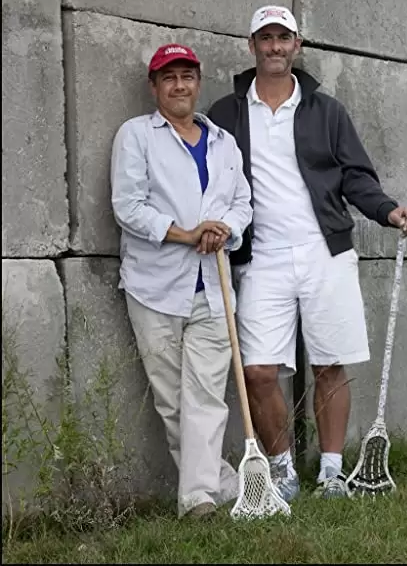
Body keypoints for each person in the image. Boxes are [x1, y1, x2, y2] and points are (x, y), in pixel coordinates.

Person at [206, 5, 407, 501]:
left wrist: (387, 211)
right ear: (251, 45)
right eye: (266, 38)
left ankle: (329, 472)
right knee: (257, 372)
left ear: (297, 46)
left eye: (284, 38)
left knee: (329, 364)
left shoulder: (327, 110)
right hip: (260, 257)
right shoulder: (226, 113)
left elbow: (355, 176)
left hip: (325, 252)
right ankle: (281, 471)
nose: (275, 46)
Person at [109, 43, 253, 519]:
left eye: (187, 76)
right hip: (156, 289)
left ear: (198, 81)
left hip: (213, 289)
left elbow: (242, 203)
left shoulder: (223, 143)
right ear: (155, 87)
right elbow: (128, 207)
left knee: (207, 395)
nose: (179, 85)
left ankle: (197, 501)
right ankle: (224, 483)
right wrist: (185, 234)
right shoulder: (137, 136)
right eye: (168, 77)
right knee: (173, 402)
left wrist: (224, 228)